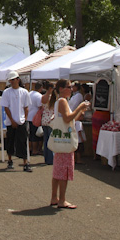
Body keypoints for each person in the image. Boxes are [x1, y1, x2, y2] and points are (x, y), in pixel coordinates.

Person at [48, 79, 89, 209]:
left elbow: (66, 119)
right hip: (65, 141)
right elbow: (67, 118)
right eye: (68, 87)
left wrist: (78, 113)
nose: (71, 89)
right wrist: (80, 108)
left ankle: (55, 197)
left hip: (60, 139)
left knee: (57, 171)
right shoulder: (63, 101)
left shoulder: (58, 101)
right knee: (64, 172)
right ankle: (62, 200)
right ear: (61, 89)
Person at [0, 71, 32, 171]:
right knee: (10, 142)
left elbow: (26, 107)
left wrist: (25, 119)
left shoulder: (24, 92)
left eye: (13, 80)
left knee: (23, 142)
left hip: (21, 121)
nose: (12, 82)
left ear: (18, 79)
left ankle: (25, 162)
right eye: (10, 80)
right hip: (11, 122)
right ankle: (10, 160)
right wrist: (12, 120)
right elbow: (6, 107)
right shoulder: (7, 92)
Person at [27, 82, 44, 157]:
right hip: (35, 117)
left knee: (30, 135)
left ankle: (30, 149)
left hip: (28, 116)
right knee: (36, 135)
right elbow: (40, 106)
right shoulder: (39, 96)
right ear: (41, 88)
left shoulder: (29, 93)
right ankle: (35, 150)